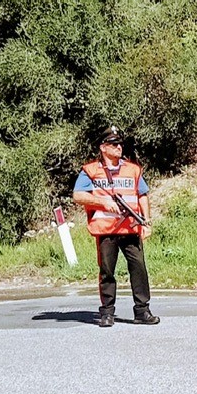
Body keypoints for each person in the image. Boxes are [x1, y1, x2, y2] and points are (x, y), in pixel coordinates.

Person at [72, 126, 158, 327]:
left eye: (120, 143)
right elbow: (78, 195)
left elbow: (142, 195)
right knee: (107, 271)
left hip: (130, 227)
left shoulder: (132, 169)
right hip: (106, 229)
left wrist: (147, 222)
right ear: (103, 147)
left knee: (139, 268)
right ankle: (107, 313)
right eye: (114, 144)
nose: (119, 147)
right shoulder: (91, 171)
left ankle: (142, 311)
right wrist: (103, 203)